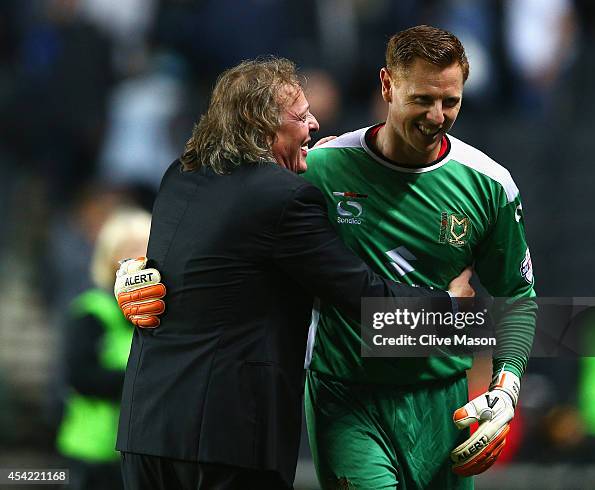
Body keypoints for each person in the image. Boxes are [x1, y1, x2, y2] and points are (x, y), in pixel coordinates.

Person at [113, 57, 475, 490]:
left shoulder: (180, 175)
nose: (315, 123)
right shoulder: (283, 199)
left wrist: (126, 273)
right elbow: (362, 297)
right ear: (263, 127)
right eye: (301, 117)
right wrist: (450, 310)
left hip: (145, 428)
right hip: (224, 441)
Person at [300, 25, 537, 489]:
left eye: (451, 101)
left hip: (441, 403)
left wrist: (506, 387)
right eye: (423, 100)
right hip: (347, 397)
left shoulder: (489, 185)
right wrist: (141, 267)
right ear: (387, 85)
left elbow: (516, 296)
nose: (438, 115)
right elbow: (242, 236)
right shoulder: (322, 170)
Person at [56, 207, 151, 490]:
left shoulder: (160, 315)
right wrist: (142, 380)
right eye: (130, 249)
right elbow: (81, 376)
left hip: (143, 452)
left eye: (146, 248)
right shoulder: (92, 312)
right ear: (110, 258)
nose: (139, 258)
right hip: (94, 452)